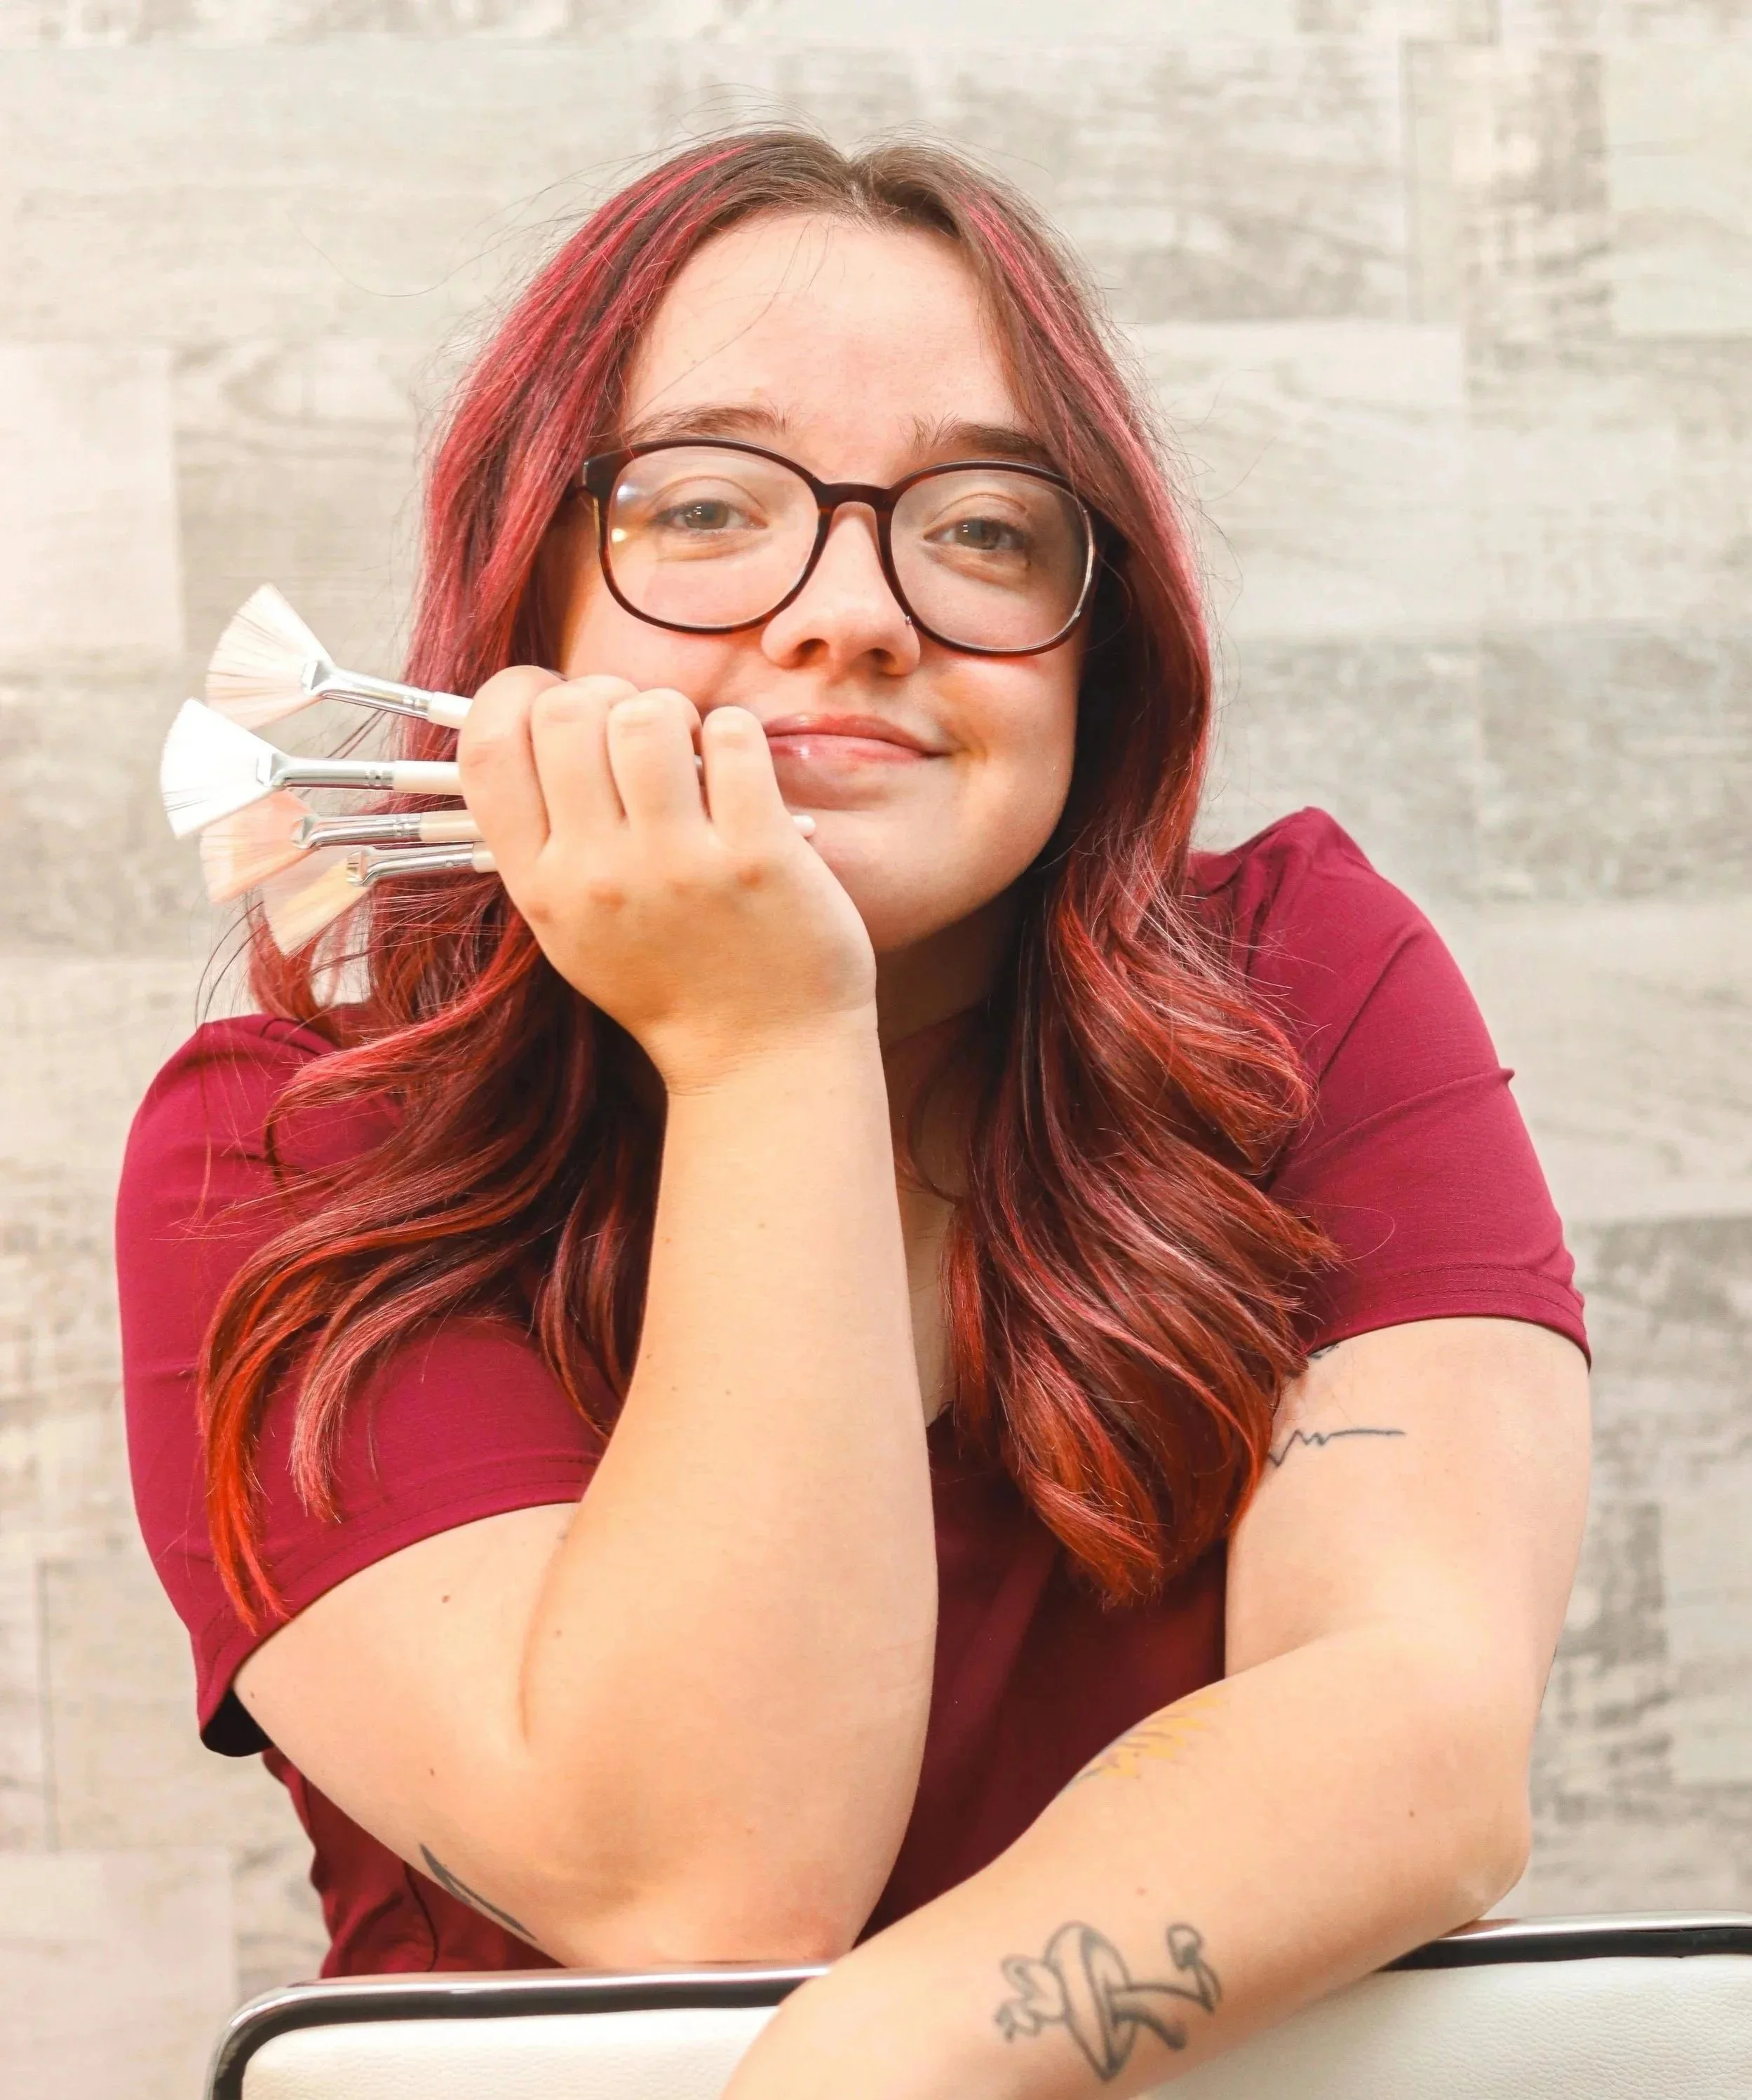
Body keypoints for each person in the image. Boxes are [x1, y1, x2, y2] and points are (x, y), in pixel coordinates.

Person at [117, 130, 1591, 2100]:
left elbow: (1417, 1732)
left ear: (1100, 647)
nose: (854, 615)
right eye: (712, 506)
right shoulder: (292, 1148)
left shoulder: (1302, 988)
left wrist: (879, 2077)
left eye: (985, 529)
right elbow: (703, 1889)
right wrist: (763, 1040)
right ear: (530, 601)